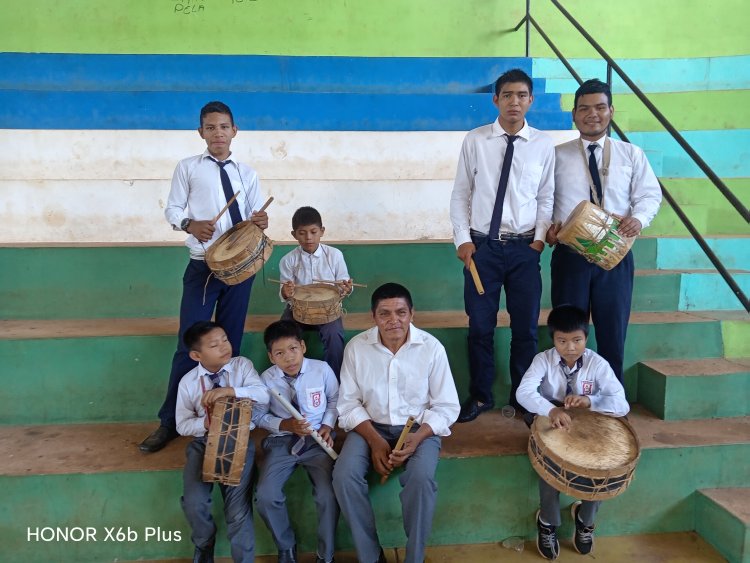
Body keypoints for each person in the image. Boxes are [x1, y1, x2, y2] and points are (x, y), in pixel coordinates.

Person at [140, 100, 269, 453]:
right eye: (210, 127)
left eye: (224, 127)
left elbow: (257, 217)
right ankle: (170, 421)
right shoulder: (188, 168)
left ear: (234, 130)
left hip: (240, 271)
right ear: (201, 132)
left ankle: (227, 418)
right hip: (203, 267)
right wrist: (188, 224)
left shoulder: (248, 174)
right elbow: (173, 208)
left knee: (230, 345)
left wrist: (261, 222)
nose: (218, 133)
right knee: (191, 345)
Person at [450, 68, 555, 422]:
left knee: (525, 329)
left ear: (531, 100)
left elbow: (546, 196)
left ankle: (523, 398)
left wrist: (538, 242)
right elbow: (461, 194)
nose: (515, 102)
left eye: (522, 95)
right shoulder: (475, 140)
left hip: (525, 249)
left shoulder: (542, 144)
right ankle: (480, 396)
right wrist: (463, 241)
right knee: (480, 326)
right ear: (495, 99)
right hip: (483, 249)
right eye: (507, 95)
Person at [333, 283, 460, 563]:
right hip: (370, 427)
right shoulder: (357, 348)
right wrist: (375, 440)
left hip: (420, 430)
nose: (394, 320)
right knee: (343, 476)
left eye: (401, 312)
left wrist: (418, 437)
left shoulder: (431, 348)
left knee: (421, 479)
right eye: (385, 314)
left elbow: (447, 406)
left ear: (412, 314)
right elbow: (348, 404)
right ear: (373, 317)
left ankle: (414, 557)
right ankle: (370, 555)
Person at [547, 79, 661, 382]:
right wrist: (547, 228)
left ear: (611, 110)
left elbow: (649, 194)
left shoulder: (631, 154)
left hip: (616, 254)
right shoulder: (556, 155)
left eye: (599, 107)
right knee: (569, 331)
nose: (592, 114)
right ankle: (567, 394)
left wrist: (639, 218)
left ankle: (611, 402)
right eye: (584, 108)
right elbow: (543, 199)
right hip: (571, 256)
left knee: (613, 329)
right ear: (574, 115)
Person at [516, 305, 630, 560]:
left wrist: (591, 402)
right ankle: (547, 521)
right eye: (562, 341)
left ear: (586, 338)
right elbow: (523, 393)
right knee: (550, 461)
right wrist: (550, 410)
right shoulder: (542, 360)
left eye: (577, 340)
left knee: (603, 464)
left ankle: (586, 520)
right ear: (553, 339)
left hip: (588, 423)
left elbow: (622, 404)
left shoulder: (597, 363)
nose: (570, 347)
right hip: (548, 418)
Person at [175, 321, 270, 563]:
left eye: (225, 339)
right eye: (214, 345)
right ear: (197, 355)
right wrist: (209, 424)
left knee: (238, 512)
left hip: (239, 442)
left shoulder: (242, 366)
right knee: (194, 502)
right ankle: (204, 542)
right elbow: (182, 424)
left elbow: (263, 395)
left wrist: (231, 392)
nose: (224, 347)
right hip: (203, 443)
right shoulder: (188, 382)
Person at [255, 320, 339, 563]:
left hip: (318, 440)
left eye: (293, 349)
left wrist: (327, 425)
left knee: (327, 495)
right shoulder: (266, 379)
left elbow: (334, 400)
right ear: (271, 357)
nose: (289, 358)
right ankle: (286, 547)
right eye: (280, 353)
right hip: (283, 441)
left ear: (303, 346)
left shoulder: (321, 369)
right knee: (266, 495)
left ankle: (326, 554)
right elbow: (259, 415)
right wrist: (285, 425)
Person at [279, 206, 353, 378]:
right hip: (297, 310)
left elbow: (344, 283)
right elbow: (283, 295)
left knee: (334, 336)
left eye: (313, 231)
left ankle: (333, 379)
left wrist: (346, 288)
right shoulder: (288, 260)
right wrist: (286, 291)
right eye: (302, 233)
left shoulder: (335, 255)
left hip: (328, 311)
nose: (308, 237)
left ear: (322, 231)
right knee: (283, 334)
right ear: (294, 234)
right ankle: (289, 377)